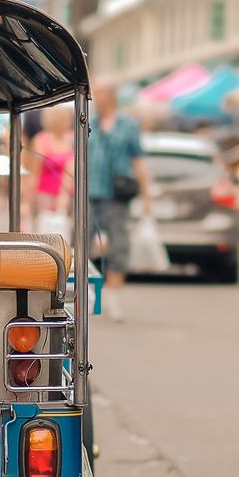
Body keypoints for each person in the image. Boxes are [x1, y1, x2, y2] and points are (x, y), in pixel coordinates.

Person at [88, 82, 150, 322]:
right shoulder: (87, 121)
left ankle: (113, 299)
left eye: (101, 93)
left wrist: (146, 194)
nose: (96, 98)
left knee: (118, 246)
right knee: (80, 246)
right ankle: (86, 297)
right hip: (89, 192)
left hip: (116, 194)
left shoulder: (128, 125)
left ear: (111, 95)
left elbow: (138, 160)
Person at [28, 106, 75, 227]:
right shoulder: (40, 140)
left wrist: (63, 195)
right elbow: (34, 172)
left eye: (67, 118)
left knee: (65, 231)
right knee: (45, 229)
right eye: (61, 118)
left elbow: (72, 168)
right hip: (44, 195)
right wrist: (27, 201)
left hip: (68, 195)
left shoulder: (73, 139)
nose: (66, 122)